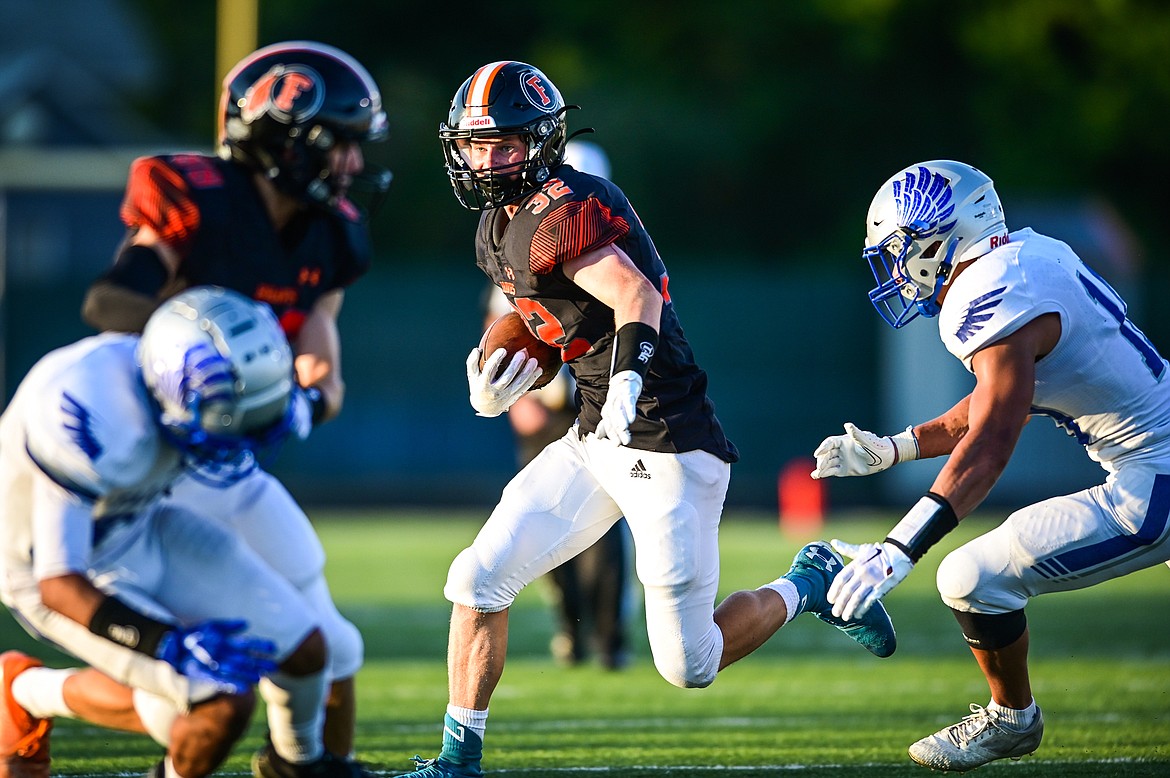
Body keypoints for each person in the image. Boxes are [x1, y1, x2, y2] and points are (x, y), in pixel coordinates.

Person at [406, 60, 897, 778]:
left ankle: (810, 581)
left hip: (667, 439)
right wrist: (498, 379)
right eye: (476, 145)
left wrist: (631, 379)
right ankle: (457, 759)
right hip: (594, 432)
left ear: (541, 143)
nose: (487, 160)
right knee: (477, 579)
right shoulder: (497, 227)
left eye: (504, 144)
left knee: (689, 664)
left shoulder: (564, 207)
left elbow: (636, 297)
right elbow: (549, 323)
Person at [77, 41, 389, 771]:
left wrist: (306, 394)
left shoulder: (329, 230)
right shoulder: (197, 199)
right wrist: (189, 354)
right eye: (337, 144)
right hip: (155, 468)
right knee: (181, 701)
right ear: (280, 135)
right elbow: (112, 302)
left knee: (336, 648)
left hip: (230, 467)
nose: (350, 164)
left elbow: (320, 347)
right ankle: (29, 695)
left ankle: (304, 765)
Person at [810, 159, 1170, 772]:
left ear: (938, 238)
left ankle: (1011, 720)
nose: (896, 269)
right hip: (1146, 465)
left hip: (1154, 480)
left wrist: (900, 547)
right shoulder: (1024, 257)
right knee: (974, 576)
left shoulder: (994, 291)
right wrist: (893, 448)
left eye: (899, 250)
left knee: (970, 577)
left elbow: (995, 436)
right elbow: (992, 403)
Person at [0, 287, 357, 778]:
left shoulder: (199, 385)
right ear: (176, 396)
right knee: (222, 699)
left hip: (141, 523)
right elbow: (59, 582)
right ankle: (27, 695)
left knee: (305, 648)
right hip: (51, 569)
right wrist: (166, 642)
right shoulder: (90, 412)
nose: (239, 447)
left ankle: (299, 767)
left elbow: (288, 407)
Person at [482, 138, 636, 671]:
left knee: (603, 531)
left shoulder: (601, 236)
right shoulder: (517, 232)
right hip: (549, 406)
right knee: (544, 520)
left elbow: (635, 301)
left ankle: (610, 637)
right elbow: (506, 321)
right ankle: (572, 629)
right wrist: (506, 382)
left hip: (598, 400)